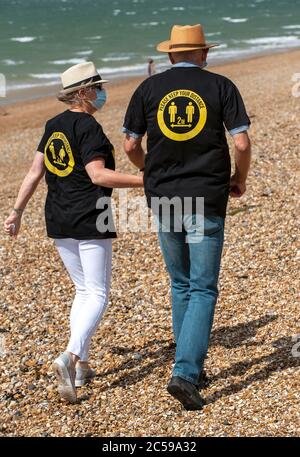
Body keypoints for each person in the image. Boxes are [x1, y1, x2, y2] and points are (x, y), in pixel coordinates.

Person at [123, 25, 251, 410]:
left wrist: (152, 171)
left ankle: (189, 365)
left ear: (169, 56)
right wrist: (238, 179)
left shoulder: (147, 90)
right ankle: (185, 371)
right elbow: (242, 142)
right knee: (203, 286)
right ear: (203, 54)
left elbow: (130, 144)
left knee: (180, 283)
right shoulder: (221, 86)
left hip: (164, 197)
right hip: (206, 197)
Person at [4, 61, 143, 403]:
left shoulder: (52, 125)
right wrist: (146, 180)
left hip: (58, 216)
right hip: (91, 215)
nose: (101, 93)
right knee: (97, 293)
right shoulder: (89, 128)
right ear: (82, 92)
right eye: (97, 88)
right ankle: (69, 357)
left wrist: (16, 211)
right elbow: (98, 176)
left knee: (83, 290)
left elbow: (35, 171)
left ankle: (81, 368)